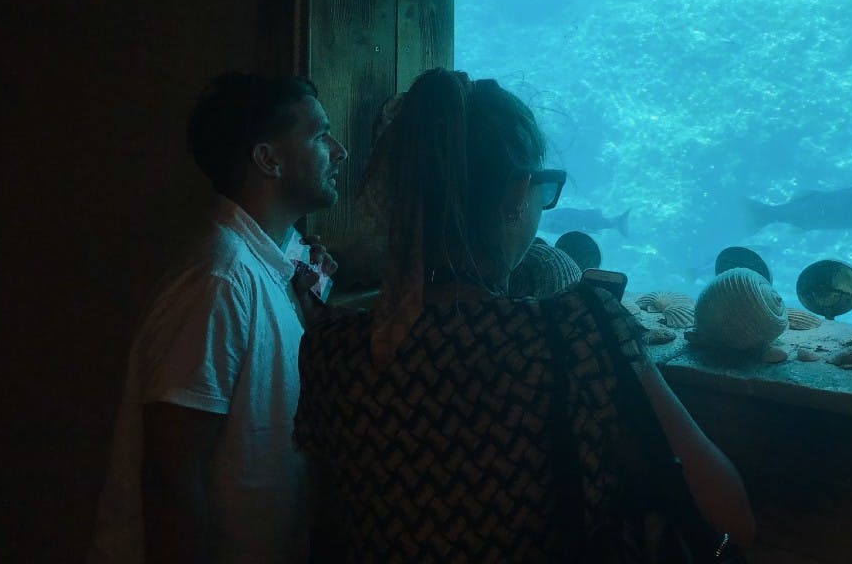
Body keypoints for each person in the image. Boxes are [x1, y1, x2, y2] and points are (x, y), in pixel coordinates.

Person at [294, 69, 756, 561]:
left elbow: (324, 525)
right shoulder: (579, 327)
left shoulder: (330, 348)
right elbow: (729, 518)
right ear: (517, 193)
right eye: (544, 186)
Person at [89, 72, 348, 564]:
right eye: (318, 134)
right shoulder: (220, 281)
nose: (339, 150)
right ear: (267, 159)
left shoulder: (268, 271)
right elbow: (171, 474)